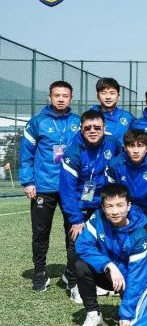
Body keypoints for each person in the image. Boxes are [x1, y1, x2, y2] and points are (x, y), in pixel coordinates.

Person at [20, 80, 81, 292]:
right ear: (49, 97)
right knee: (40, 233)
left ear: (71, 98)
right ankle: (40, 273)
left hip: (70, 187)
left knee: (74, 231)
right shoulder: (37, 122)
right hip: (43, 187)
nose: (61, 99)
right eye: (57, 95)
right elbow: (26, 154)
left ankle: (71, 274)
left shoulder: (78, 122)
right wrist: (28, 181)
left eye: (65, 96)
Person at [59, 109, 122, 302]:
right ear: (81, 129)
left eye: (97, 127)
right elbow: (67, 189)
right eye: (88, 128)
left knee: (104, 242)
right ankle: (74, 284)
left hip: (101, 205)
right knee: (77, 242)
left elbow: (125, 160)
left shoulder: (113, 143)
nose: (93, 131)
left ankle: (99, 280)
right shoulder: (73, 151)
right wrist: (76, 219)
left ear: (104, 128)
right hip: (79, 204)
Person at [74, 184, 147, 326]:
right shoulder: (97, 219)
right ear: (103, 207)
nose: (115, 211)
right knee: (81, 265)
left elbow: (137, 276)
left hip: (128, 277)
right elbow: (82, 245)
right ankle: (93, 315)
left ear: (128, 206)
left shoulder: (139, 232)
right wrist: (108, 265)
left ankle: (130, 306)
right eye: (109, 206)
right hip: (108, 273)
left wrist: (126, 314)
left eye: (120, 205)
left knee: (140, 308)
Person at [105, 129, 147, 269]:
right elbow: (112, 195)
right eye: (131, 146)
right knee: (125, 242)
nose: (136, 151)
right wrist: (123, 216)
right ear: (125, 147)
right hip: (126, 212)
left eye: (140, 146)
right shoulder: (115, 165)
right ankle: (123, 272)